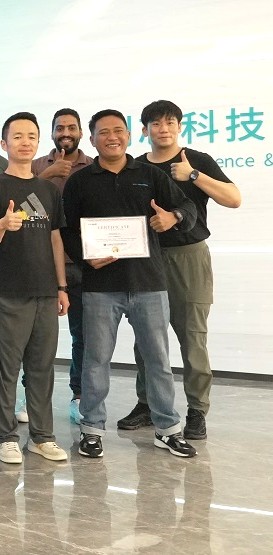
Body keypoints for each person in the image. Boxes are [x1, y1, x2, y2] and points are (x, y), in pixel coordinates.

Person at [61, 109, 198, 459]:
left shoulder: (150, 174)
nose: (112, 137)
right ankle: (92, 429)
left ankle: (167, 429)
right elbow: (67, 231)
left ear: (129, 135)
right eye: (104, 132)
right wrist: (85, 257)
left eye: (118, 130)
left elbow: (187, 206)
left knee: (158, 360)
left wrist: (174, 217)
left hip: (149, 282)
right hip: (100, 286)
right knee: (95, 360)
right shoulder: (80, 181)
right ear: (92, 139)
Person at [120, 100, 241, 439]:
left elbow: (234, 198)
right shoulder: (136, 166)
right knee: (146, 338)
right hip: (146, 258)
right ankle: (147, 404)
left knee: (192, 338)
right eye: (156, 124)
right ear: (144, 130)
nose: (164, 129)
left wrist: (194, 176)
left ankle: (197, 410)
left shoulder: (197, 160)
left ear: (179, 126)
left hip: (189, 257)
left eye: (170, 122)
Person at [0, 112, 69, 464]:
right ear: (4, 144)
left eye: (31, 135)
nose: (25, 142)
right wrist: (2, 224)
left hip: (46, 291)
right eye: (17, 136)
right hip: (9, 290)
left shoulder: (48, 190)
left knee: (42, 367)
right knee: (7, 368)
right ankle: (6, 437)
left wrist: (61, 286)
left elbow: (55, 239)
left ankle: (42, 437)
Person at [31, 108, 94, 425]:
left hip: (85, 263)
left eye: (71, 127)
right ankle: (30, 396)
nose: (65, 133)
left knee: (84, 335)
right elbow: (22, 203)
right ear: (52, 132)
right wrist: (49, 174)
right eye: (59, 128)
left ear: (81, 132)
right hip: (42, 263)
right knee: (37, 338)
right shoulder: (36, 166)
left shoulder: (93, 166)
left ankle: (79, 394)